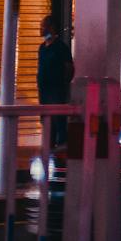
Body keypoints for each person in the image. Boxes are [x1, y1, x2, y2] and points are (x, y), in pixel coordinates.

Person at [37, 16, 73, 145]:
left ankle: (61, 148)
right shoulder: (42, 48)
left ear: (51, 27)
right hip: (44, 91)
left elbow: (69, 67)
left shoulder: (60, 47)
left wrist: (63, 83)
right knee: (46, 120)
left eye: (43, 26)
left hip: (56, 91)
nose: (40, 28)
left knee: (58, 120)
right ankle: (49, 147)